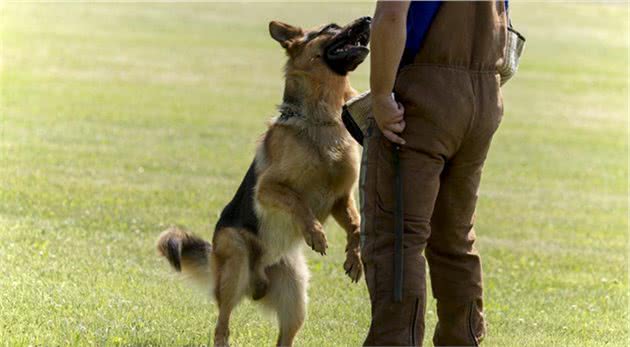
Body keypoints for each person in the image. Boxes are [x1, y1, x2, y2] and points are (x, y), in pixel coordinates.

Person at [361, 1, 508, 346]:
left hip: (426, 91)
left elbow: (392, 15)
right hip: (484, 94)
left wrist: (382, 96)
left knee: (398, 235)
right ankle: (463, 338)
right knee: (454, 237)